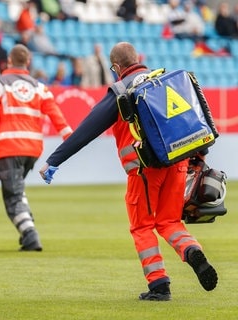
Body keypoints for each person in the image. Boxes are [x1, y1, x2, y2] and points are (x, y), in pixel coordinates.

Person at [39, 41, 218, 300]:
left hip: (144, 170)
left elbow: (88, 129)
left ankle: (159, 285)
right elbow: (194, 121)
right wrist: (199, 158)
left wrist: (54, 160)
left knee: (141, 226)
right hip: (178, 163)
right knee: (169, 222)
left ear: (116, 67)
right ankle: (192, 251)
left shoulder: (121, 90)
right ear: (139, 58)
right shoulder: (163, 81)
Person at [0, 44, 73, 251]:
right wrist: (69, 136)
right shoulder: (40, 88)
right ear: (28, 62)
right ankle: (27, 226)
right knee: (17, 188)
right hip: (33, 148)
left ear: (8, 62)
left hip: (10, 147)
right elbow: (55, 113)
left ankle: (30, 234)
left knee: (12, 196)